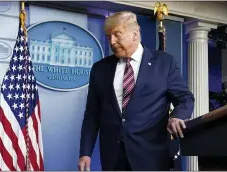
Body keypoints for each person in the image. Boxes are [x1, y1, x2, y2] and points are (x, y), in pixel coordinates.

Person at [78, 11, 195, 171]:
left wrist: (177, 117)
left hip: (152, 157)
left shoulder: (164, 63)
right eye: (108, 36)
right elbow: (92, 114)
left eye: (117, 35)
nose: (112, 41)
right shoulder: (99, 69)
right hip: (113, 158)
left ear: (134, 34)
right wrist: (85, 153)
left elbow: (185, 97)